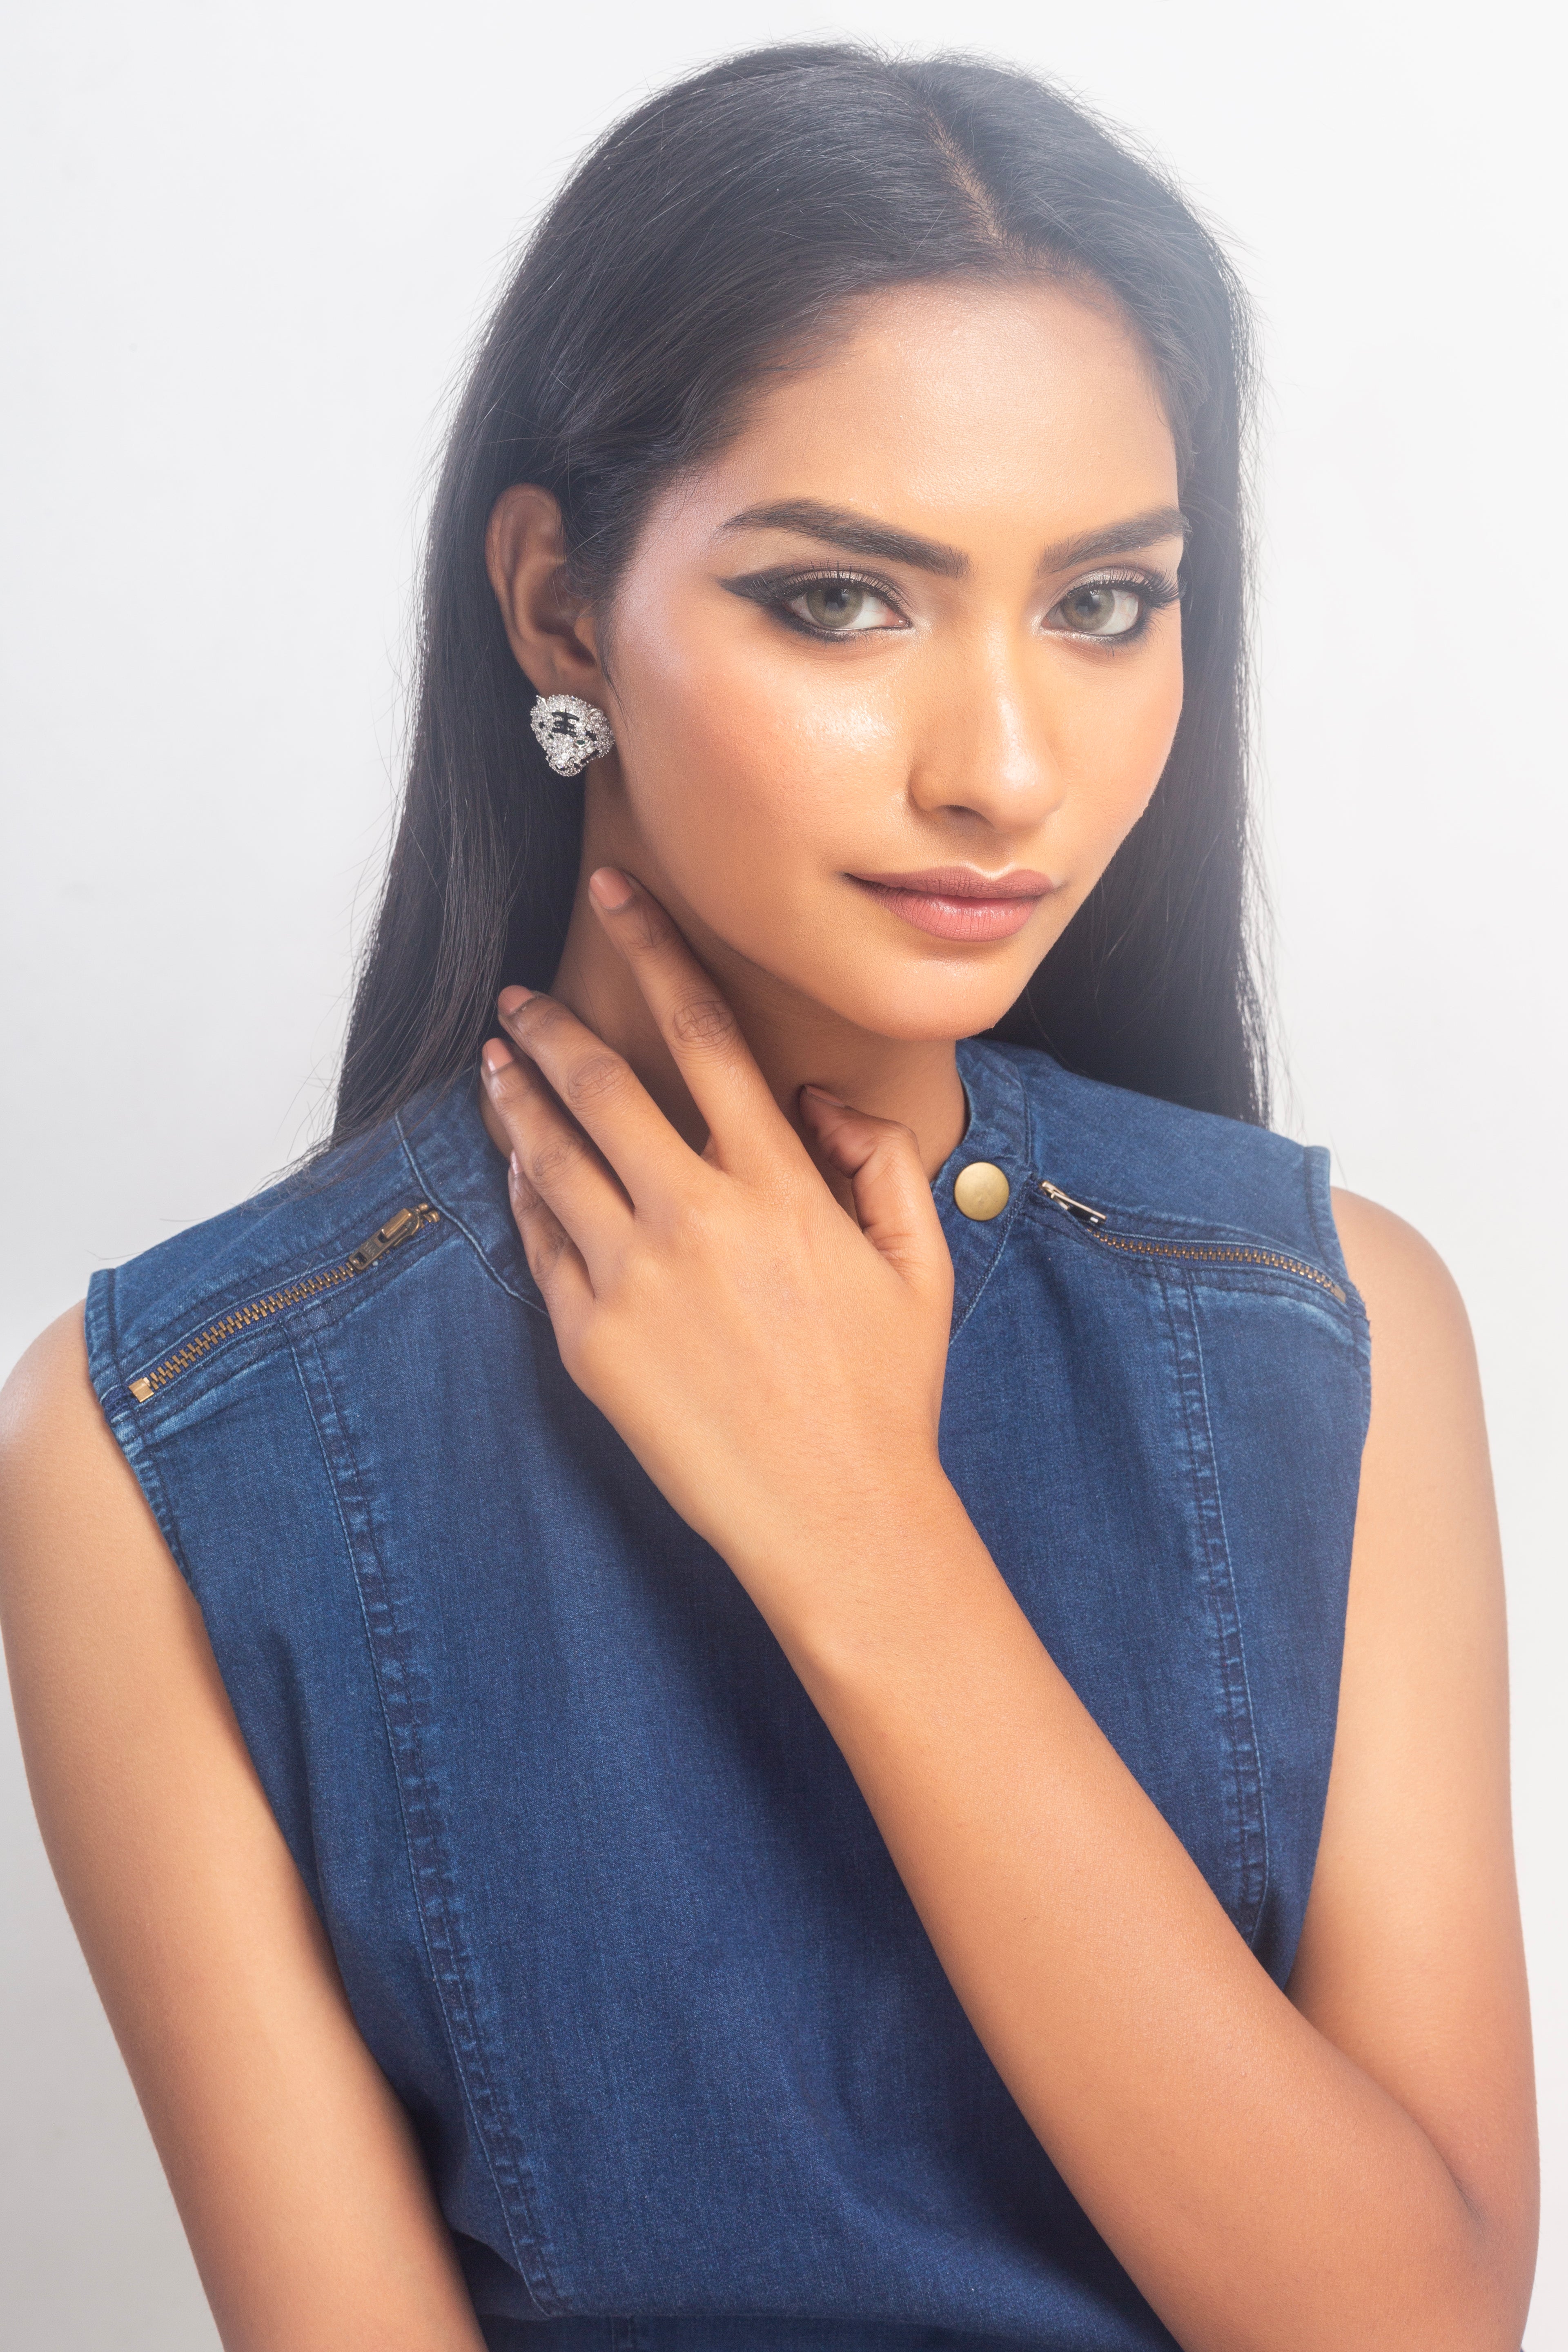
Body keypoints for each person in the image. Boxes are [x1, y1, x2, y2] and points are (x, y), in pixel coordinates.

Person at [0, 43, 1537, 2352]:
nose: (1002, 766)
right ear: (557, 609)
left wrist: (863, 1536)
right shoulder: (164, 1451)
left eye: (1104, 604)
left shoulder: (1333, 1331)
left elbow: (1411, 2326)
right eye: (842, 600)